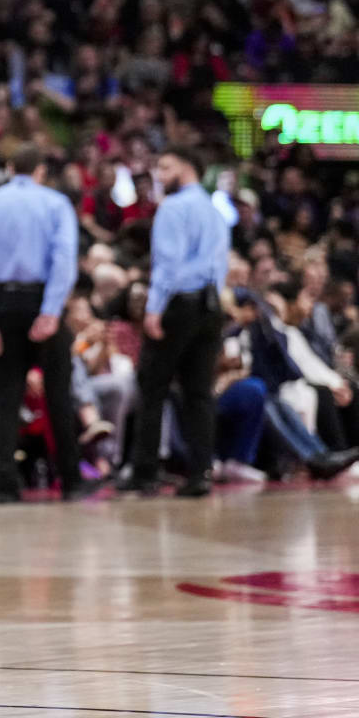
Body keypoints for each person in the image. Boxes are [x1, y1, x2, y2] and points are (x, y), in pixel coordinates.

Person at [0, 145, 95, 501]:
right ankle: (71, 479)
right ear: (40, 171)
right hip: (41, 298)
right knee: (59, 393)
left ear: (9, 169)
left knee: (7, 394)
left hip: (3, 302)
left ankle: (7, 483)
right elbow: (63, 258)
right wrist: (51, 311)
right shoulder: (55, 204)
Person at [122, 147, 229, 497]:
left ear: (186, 168)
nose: (159, 176)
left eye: (165, 168)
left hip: (178, 303)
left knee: (152, 387)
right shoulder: (215, 211)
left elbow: (167, 263)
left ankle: (145, 471)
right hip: (211, 304)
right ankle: (201, 473)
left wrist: (154, 309)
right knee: (199, 392)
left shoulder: (173, 207)